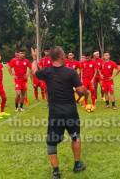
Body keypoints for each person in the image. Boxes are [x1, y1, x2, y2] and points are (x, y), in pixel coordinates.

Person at [31, 46, 87, 179]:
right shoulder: (71, 72)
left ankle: (56, 172)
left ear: (50, 58)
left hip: (55, 113)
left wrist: (34, 58)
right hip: (71, 112)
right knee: (75, 136)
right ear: (62, 57)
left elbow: (34, 71)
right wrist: (86, 92)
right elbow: (80, 91)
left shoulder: (47, 72)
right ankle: (77, 164)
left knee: (51, 142)